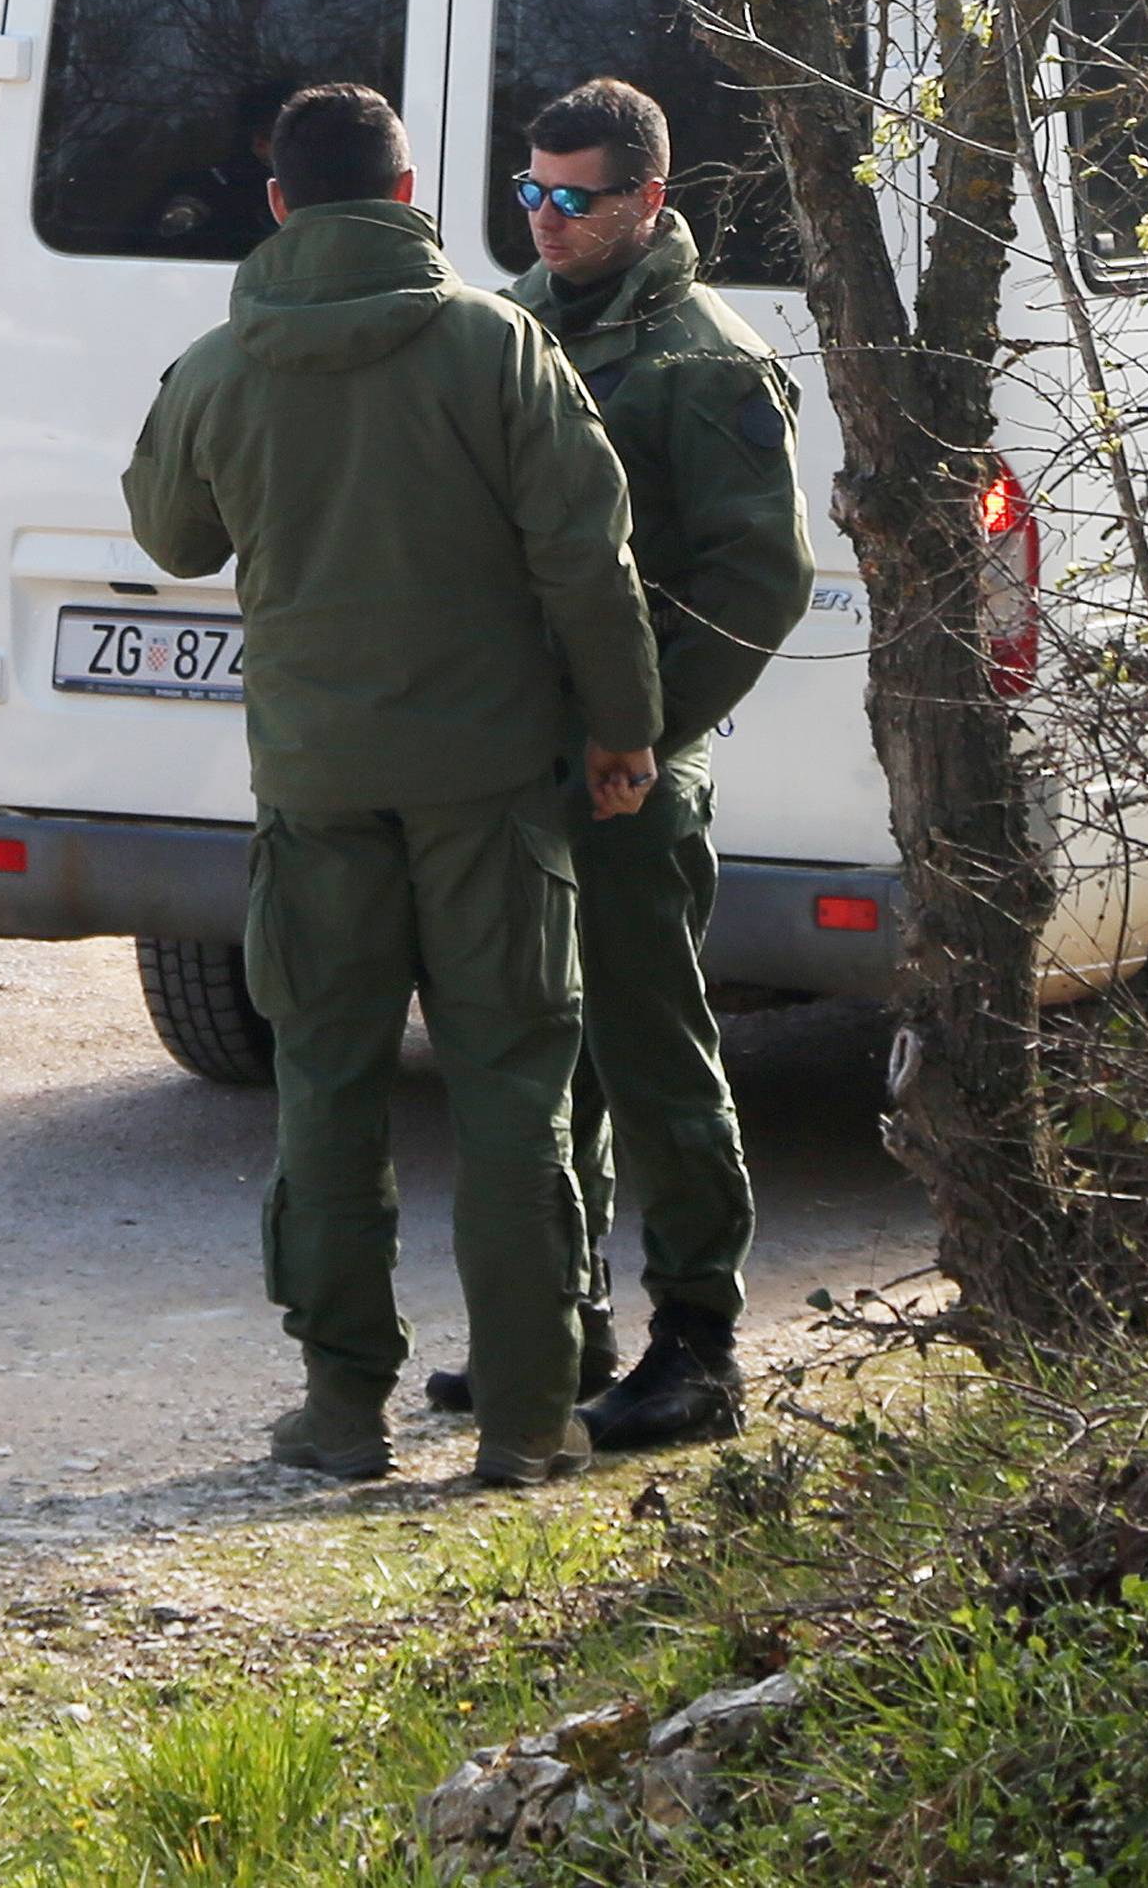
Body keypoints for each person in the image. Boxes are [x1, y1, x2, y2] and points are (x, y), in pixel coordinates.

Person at [122, 82, 663, 1490]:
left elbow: (171, 536)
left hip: (317, 784)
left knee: (329, 1088)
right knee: (512, 1088)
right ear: (413, 193)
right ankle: (530, 1416)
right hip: (490, 782)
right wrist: (623, 729)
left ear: (280, 204)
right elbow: (589, 560)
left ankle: (342, 1408)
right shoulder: (501, 347)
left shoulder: (222, 364)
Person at [427, 78, 814, 1449]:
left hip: (634, 771)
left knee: (652, 1051)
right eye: (528, 194)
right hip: (522, 758)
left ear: (647, 201)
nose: (544, 220)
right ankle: (562, 1322)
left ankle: (700, 1345)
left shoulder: (705, 362)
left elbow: (759, 578)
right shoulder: (519, 329)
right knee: (548, 1052)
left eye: (572, 199)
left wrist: (642, 736)